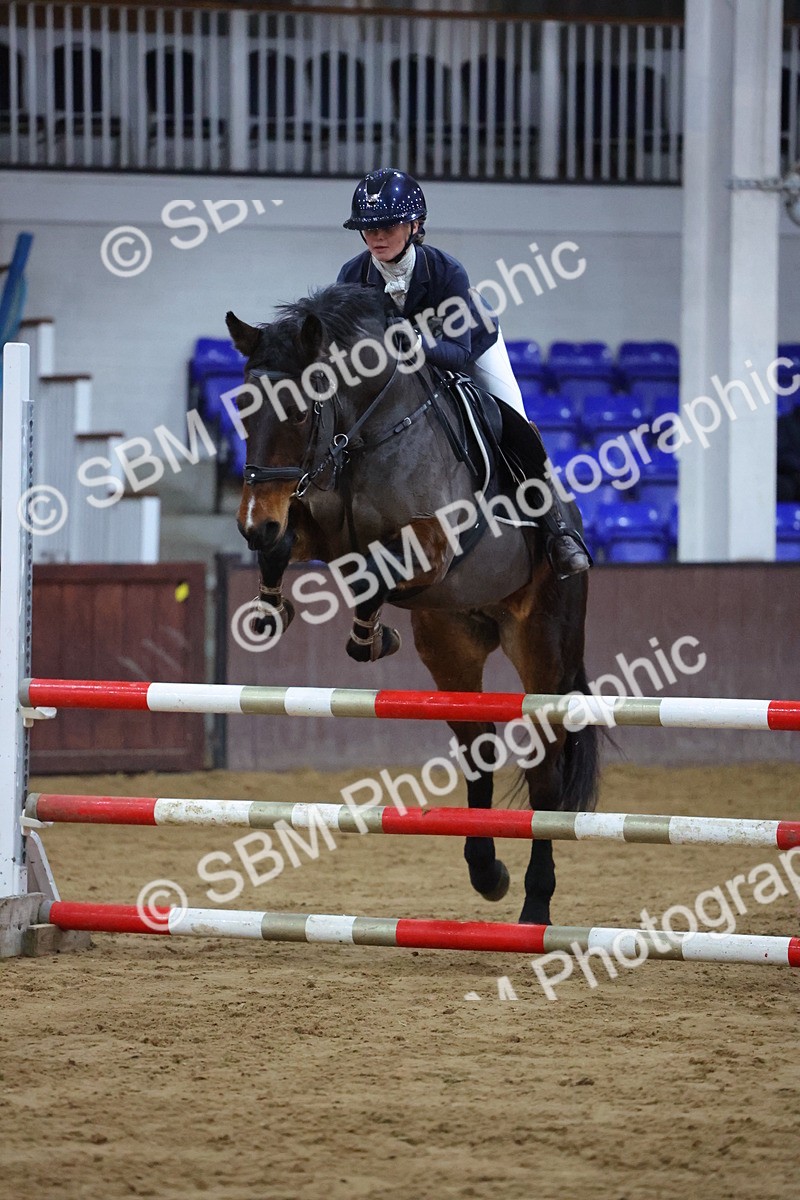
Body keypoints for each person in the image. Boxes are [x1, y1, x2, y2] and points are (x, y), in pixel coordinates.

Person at [337, 167, 590, 580]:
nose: (376, 237)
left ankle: (558, 531)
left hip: (472, 348)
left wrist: (415, 344)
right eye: (367, 228)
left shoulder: (446, 273)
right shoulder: (352, 276)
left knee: (514, 421)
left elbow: (457, 354)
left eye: (387, 226)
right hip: (397, 371)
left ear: (415, 225)